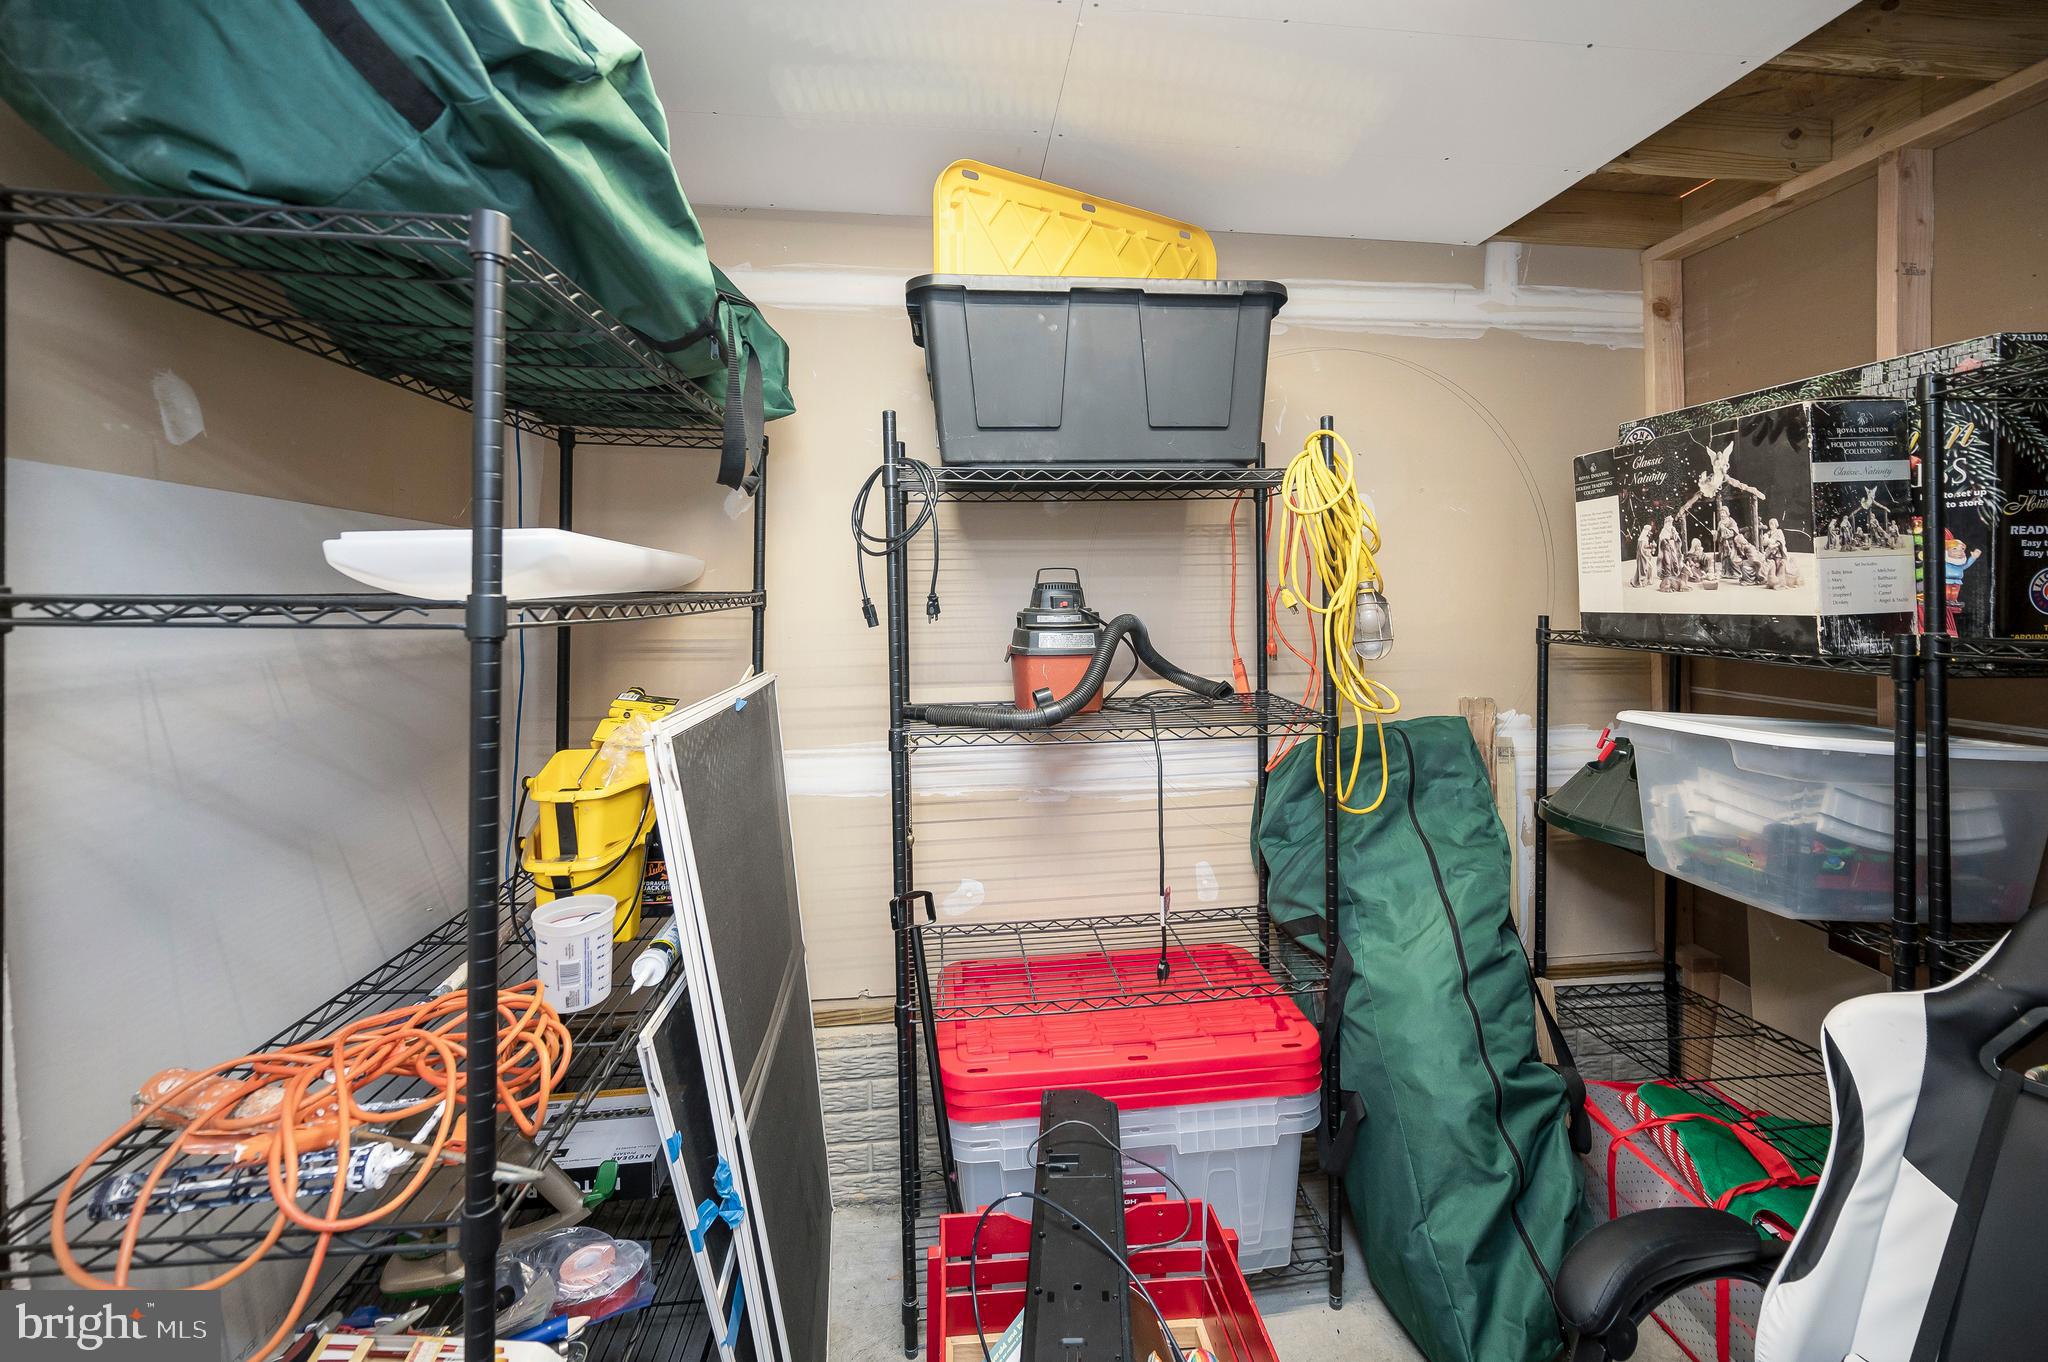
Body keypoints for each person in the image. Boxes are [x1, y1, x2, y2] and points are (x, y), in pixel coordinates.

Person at [1656, 514, 1685, 591]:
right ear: (1667, 522)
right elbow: (1661, 539)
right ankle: (1667, 575)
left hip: (1673, 547)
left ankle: (1675, 573)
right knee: (1667, 561)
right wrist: (1665, 542)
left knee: (1675, 560)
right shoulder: (1664, 530)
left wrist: (1675, 535)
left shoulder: (1673, 529)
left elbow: (1677, 538)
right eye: (1669, 521)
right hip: (1666, 548)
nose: (1671, 523)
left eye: (1671, 522)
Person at [1633, 521, 1657, 587]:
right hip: (1643, 557)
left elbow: (1645, 547)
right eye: (1649, 531)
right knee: (1644, 568)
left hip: (1646, 555)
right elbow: (1642, 549)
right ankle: (1642, 580)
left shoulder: (1645, 538)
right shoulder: (1642, 539)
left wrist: (1651, 546)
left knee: (1649, 567)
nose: (1650, 532)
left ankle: (1648, 580)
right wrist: (1651, 546)